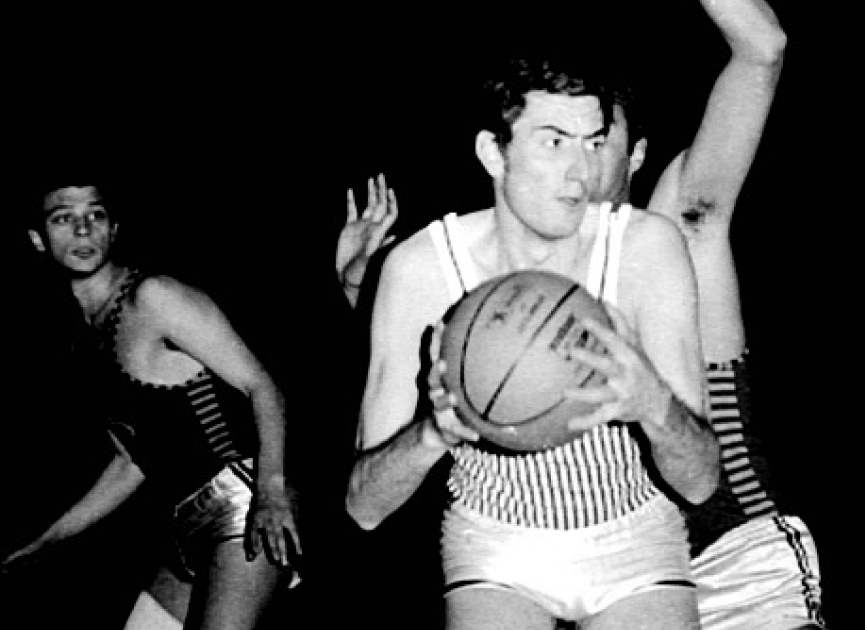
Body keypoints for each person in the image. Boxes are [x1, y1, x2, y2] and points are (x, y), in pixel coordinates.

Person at [337, 3, 822, 628]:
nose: (580, 167)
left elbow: (762, 48)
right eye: (555, 140)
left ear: (635, 152)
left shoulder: (671, 235)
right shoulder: (455, 268)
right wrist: (362, 288)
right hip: (535, 551)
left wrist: (651, 402)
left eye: (598, 139)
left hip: (726, 548)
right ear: (497, 153)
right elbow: (427, 404)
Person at [5, 182, 301, 629]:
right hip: (185, 524)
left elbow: (263, 386)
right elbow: (132, 463)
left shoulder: (153, 297)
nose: (83, 229)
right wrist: (47, 541)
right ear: (37, 239)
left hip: (242, 501)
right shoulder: (83, 339)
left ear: (113, 229)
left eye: (96, 215)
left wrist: (272, 494)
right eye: (63, 217)